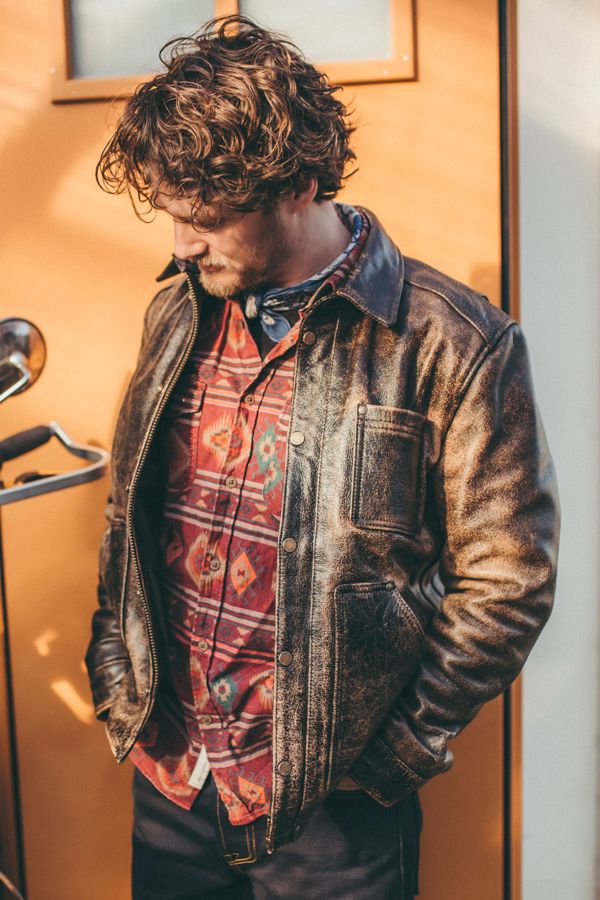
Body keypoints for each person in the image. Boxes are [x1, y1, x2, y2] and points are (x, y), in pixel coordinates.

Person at [85, 15, 560, 900]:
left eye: (205, 218)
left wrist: (393, 755)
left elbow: (509, 581)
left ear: (299, 182)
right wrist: (118, 679)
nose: (181, 244)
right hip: (173, 777)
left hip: (335, 811)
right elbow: (128, 516)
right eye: (173, 216)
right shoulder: (175, 309)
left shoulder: (454, 344)